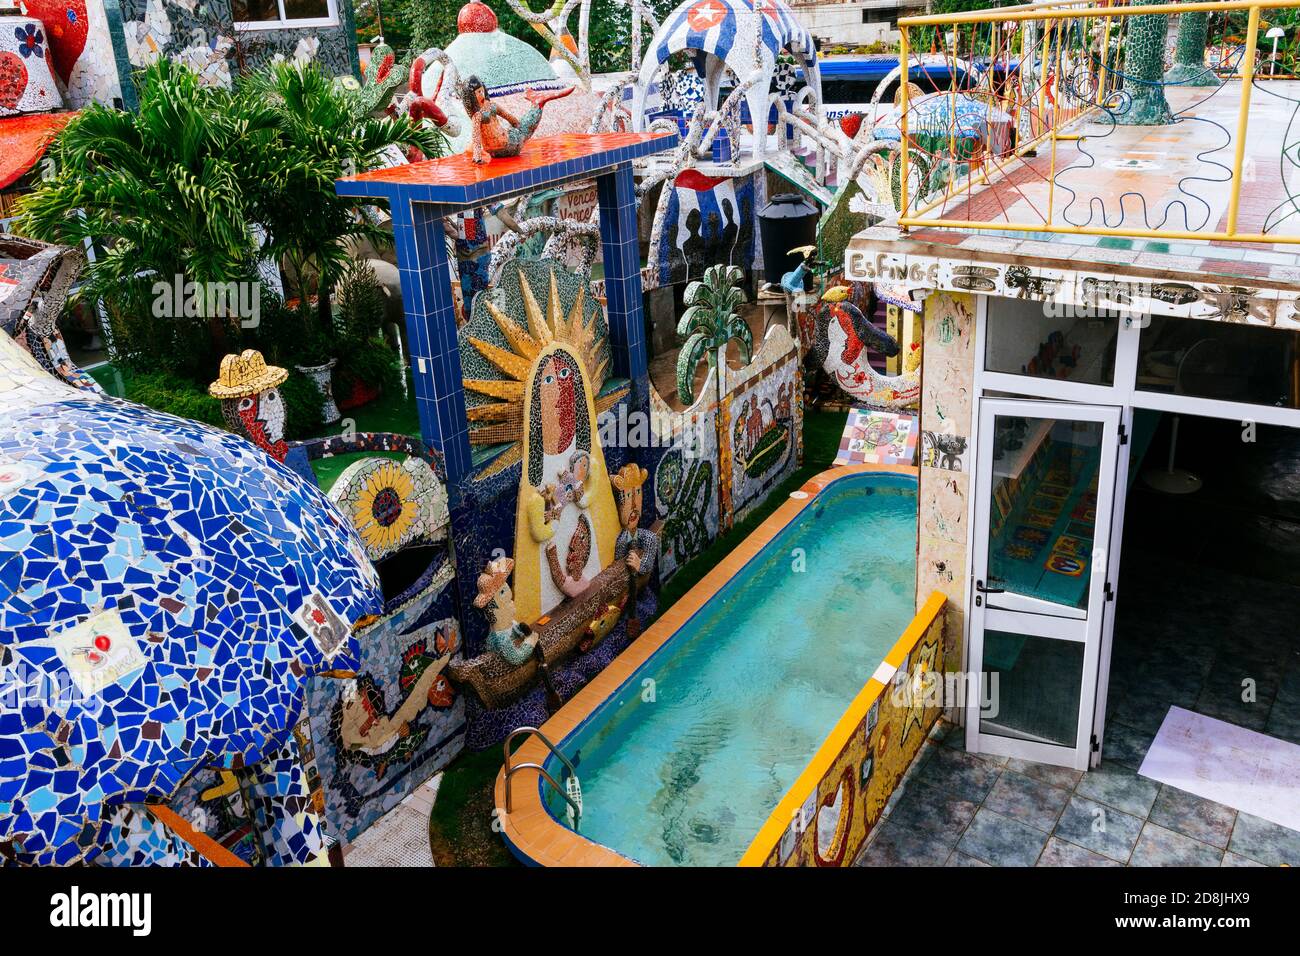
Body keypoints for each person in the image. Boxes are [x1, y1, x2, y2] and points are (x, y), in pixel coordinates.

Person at [462, 75, 574, 164]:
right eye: (478, 92)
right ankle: (539, 102)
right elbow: (476, 136)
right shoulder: (479, 114)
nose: (481, 94)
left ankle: (537, 102)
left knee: (519, 129)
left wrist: (515, 123)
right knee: (523, 130)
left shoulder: (489, 107)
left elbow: (509, 117)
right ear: (471, 96)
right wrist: (477, 157)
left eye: (482, 91)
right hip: (506, 144)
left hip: (502, 146)